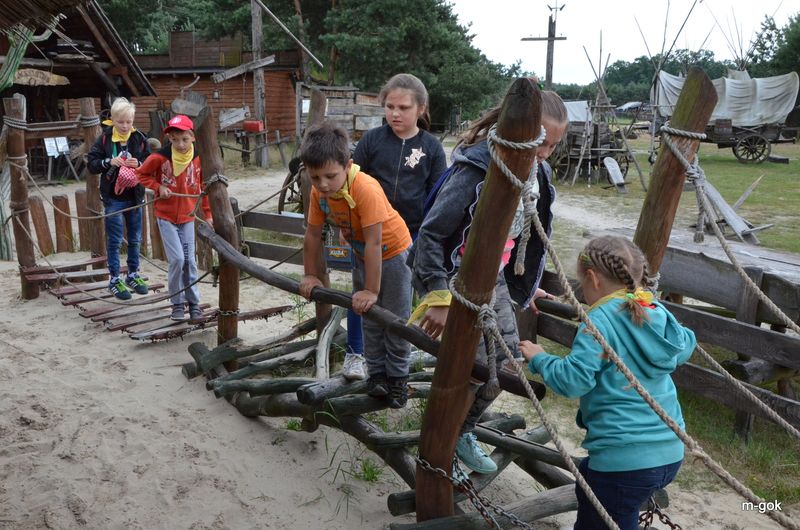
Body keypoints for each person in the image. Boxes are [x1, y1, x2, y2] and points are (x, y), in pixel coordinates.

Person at [410, 87, 568, 474]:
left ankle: (462, 431)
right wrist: (438, 296)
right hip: (454, 277)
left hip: (492, 277)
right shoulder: (477, 168)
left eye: (554, 146)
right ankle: (438, 447)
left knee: (506, 366)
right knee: (471, 368)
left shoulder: (539, 173)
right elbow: (430, 236)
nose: (545, 153)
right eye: (541, 143)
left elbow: (529, 235)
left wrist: (528, 285)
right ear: (517, 132)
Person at [520, 235, 696, 530]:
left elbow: (573, 381)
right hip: (670, 450)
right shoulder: (653, 308)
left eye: (582, 284)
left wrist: (540, 358)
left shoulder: (599, 321)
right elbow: (686, 343)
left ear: (593, 278)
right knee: (590, 483)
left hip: (626, 459)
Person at [298, 122, 413, 409]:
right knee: (367, 316)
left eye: (330, 176)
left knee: (395, 319)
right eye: (315, 177)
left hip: (394, 254)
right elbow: (312, 234)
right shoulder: (319, 194)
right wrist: (311, 275)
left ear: (348, 165)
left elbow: (376, 242)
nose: (323, 184)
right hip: (364, 255)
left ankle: (398, 379)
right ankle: (376, 375)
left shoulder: (365, 188)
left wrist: (371, 290)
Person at [342, 73, 448, 381]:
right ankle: (356, 354)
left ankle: (396, 362)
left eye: (403, 107)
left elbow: (438, 198)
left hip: (411, 236)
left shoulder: (431, 148)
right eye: (390, 107)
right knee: (362, 293)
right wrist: (347, 225)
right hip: (369, 234)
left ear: (421, 108)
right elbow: (352, 182)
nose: (395, 114)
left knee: (400, 299)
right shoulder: (372, 141)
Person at [137, 115, 212, 322]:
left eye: (184, 139)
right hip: (166, 217)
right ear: (169, 138)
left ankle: (194, 303)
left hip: (188, 217)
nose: (180, 144)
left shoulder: (199, 158)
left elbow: (203, 188)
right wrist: (158, 187)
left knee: (190, 261)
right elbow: (141, 174)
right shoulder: (160, 158)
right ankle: (177, 304)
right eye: (175, 139)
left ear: (193, 137)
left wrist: (208, 215)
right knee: (177, 260)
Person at [87, 97, 151, 300]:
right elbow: (92, 163)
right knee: (114, 240)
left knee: (135, 238)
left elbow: (151, 162)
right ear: (113, 120)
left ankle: (133, 274)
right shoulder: (105, 139)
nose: (124, 126)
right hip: (113, 198)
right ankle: (115, 278)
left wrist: (139, 163)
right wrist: (109, 161)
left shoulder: (139, 138)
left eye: (128, 121)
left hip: (135, 196)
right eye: (120, 121)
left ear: (133, 120)